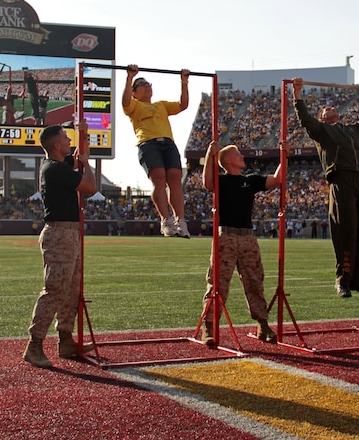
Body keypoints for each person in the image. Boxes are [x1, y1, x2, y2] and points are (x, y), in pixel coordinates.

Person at [292, 77, 359, 298]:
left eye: (331, 106)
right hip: (341, 180)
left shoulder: (352, 129)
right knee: (345, 232)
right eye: (325, 108)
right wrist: (297, 93)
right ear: (322, 118)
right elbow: (305, 119)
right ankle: (342, 280)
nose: (330, 107)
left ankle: (358, 280)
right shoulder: (322, 131)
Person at [23, 121, 96, 368]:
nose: (69, 141)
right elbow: (89, 186)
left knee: (71, 289)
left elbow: (77, 157)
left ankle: (65, 339)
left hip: (68, 232)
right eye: (66, 137)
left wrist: (83, 134)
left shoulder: (57, 166)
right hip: (60, 233)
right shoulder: (53, 168)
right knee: (55, 289)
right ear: (56, 145)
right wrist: (87, 165)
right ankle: (34, 345)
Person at [199, 140, 287, 346]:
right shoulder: (221, 180)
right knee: (218, 282)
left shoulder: (250, 180)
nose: (243, 157)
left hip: (247, 237)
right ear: (228, 160)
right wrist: (209, 156)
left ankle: (263, 324)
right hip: (226, 237)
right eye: (238, 154)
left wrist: (285, 157)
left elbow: (277, 179)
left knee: (255, 280)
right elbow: (208, 183)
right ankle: (209, 326)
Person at [122, 64, 190, 238]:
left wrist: (184, 82)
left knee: (175, 180)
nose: (148, 86)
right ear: (134, 91)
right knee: (159, 179)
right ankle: (166, 220)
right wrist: (129, 77)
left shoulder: (161, 105)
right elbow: (125, 102)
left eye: (149, 84)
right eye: (143, 84)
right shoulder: (134, 105)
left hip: (168, 143)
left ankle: (180, 221)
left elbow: (183, 105)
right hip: (148, 143)